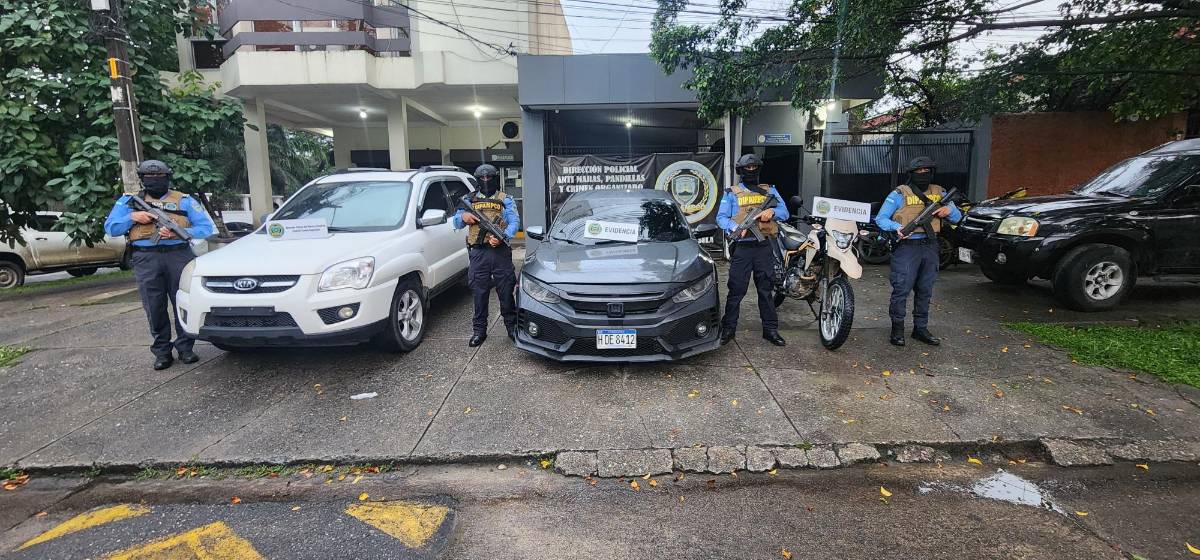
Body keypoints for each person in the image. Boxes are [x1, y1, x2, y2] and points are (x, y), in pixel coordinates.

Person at [103, 160, 215, 369]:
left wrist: (181, 232)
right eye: (149, 178)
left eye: (160, 178)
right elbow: (111, 228)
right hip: (146, 257)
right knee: (154, 306)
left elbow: (207, 228)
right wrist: (132, 217)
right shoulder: (128, 202)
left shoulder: (184, 200)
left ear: (168, 178)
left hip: (178, 254)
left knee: (182, 301)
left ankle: (185, 348)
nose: (155, 181)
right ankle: (162, 351)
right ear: (142, 179)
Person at [874, 156, 962, 347]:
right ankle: (897, 329)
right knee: (901, 289)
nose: (922, 176)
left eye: (926, 172)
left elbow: (957, 217)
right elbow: (881, 219)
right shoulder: (899, 193)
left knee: (925, 290)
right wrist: (895, 227)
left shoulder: (940, 193)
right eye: (918, 173)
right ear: (911, 174)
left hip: (930, 246)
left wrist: (949, 212)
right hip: (907, 248)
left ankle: (920, 329)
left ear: (932, 173)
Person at [716, 153, 790, 347]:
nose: (750, 171)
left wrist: (771, 212)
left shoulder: (769, 190)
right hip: (742, 248)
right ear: (740, 171)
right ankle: (729, 329)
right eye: (747, 169)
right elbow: (721, 218)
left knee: (766, 290)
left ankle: (770, 330)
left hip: (763, 247)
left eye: (754, 168)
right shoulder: (731, 193)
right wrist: (734, 228)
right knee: (736, 290)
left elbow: (785, 212)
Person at [453, 164, 521, 347]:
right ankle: (479, 331)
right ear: (477, 179)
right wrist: (464, 217)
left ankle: (511, 327)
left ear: (495, 178)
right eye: (482, 178)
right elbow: (457, 222)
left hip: (500, 252)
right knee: (479, 292)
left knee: (506, 290)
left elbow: (515, 221)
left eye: (489, 178)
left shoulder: (505, 199)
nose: (485, 181)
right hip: (478, 252)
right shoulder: (469, 199)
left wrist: (503, 237)